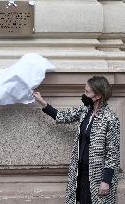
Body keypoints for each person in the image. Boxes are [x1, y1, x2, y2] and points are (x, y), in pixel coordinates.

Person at [33, 76, 120, 204]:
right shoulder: (85, 110)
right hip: (80, 172)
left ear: (98, 95)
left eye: (87, 92)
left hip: (97, 176)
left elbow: (113, 154)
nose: (84, 94)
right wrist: (42, 101)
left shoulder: (110, 119)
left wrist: (106, 181)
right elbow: (62, 116)